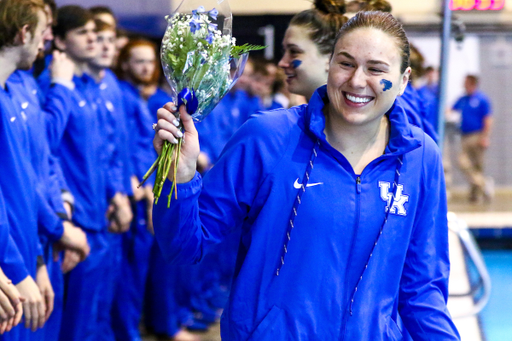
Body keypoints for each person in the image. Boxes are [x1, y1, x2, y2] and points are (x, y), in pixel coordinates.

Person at [152, 10, 460, 340]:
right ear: (330, 66)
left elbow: (422, 289)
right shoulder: (268, 138)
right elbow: (183, 247)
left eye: (376, 69)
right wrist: (179, 179)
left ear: (403, 80)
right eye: (346, 63)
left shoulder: (420, 156)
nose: (357, 81)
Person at [0, 1, 55, 339]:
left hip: (18, 262)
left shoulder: (7, 95)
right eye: (41, 30)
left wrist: (34, 261)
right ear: (24, 33)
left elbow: (20, 190)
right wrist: (17, 270)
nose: (45, 40)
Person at [452, 75, 493, 203]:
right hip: (465, 136)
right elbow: (450, 109)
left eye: (466, 83)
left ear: (472, 84)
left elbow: (488, 119)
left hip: (477, 136)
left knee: (477, 166)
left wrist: (485, 137)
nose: (463, 85)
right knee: (463, 162)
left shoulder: (481, 100)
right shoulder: (463, 99)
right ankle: (484, 184)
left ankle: (475, 195)